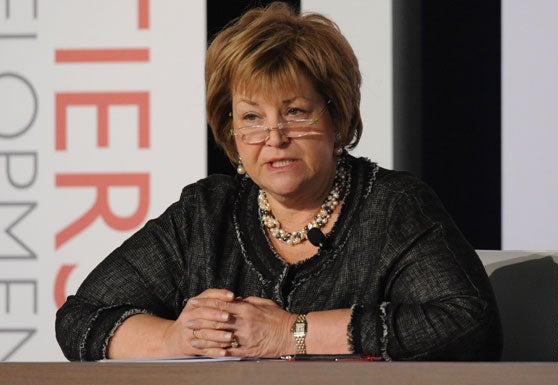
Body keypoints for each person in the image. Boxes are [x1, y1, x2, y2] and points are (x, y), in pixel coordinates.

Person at [55, 2, 502, 361]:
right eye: (252, 117)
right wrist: (176, 339)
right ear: (230, 131)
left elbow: (469, 328)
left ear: (337, 117)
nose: (275, 138)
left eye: (295, 112)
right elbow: (79, 319)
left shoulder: (393, 207)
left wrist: (293, 333)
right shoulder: (206, 215)